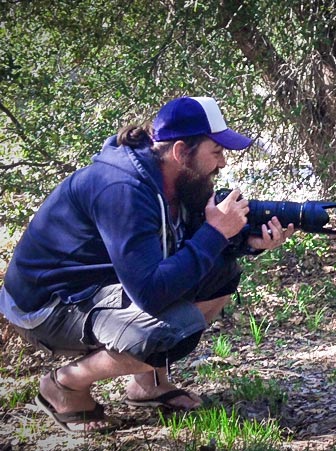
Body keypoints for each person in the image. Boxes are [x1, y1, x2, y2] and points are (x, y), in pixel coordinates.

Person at [0, 96, 294, 433]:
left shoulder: (173, 179)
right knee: (173, 327)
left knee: (222, 271)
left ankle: (147, 383)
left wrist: (243, 241)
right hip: (44, 305)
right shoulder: (122, 189)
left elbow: (182, 246)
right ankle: (64, 385)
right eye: (216, 152)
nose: (223, 163)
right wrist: (215, 233)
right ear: (181, 152)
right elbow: (152, 293)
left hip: (99, 284)